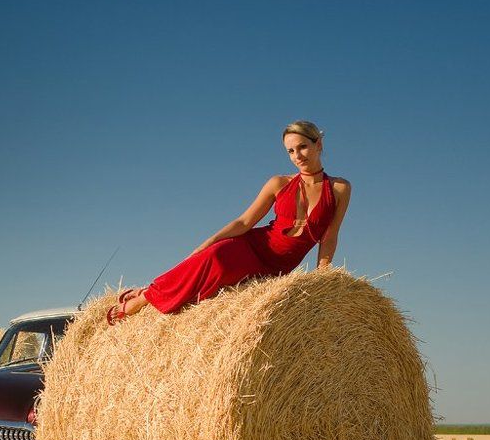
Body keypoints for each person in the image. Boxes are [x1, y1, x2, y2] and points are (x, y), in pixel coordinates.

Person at [107, 120, 351, 324]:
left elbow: (329, 236)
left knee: (212, 287)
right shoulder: (279, 183)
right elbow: (245, 221)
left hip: (278, 265)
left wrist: (322, 280)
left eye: (302, 147)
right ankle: (145, 297)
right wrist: (209, 243)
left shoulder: (339, 189)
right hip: (254, 247)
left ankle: (148, 293)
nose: (297, 156)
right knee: (213, 259)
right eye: (290, 151)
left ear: (318, 144)